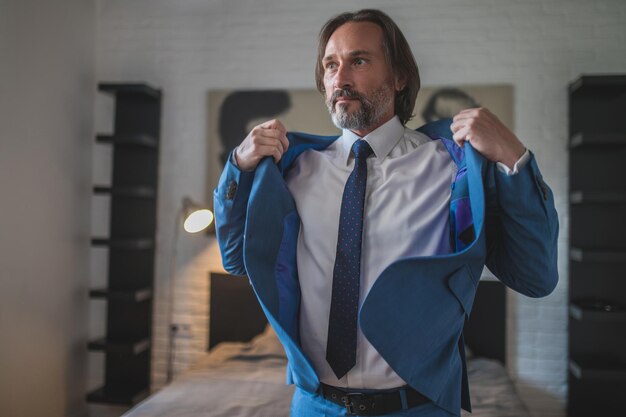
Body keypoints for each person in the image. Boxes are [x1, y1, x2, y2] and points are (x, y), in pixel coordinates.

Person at [214, 9, 558, 417]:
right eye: (330, 64)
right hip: (313, 405)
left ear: (399, 77)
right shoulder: (291, 170)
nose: (340, 78)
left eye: (358, 61)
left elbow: (536, 276)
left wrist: (514, 159)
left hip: (417, 407)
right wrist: (238, 163)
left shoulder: (453, 168)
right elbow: (235, 259)